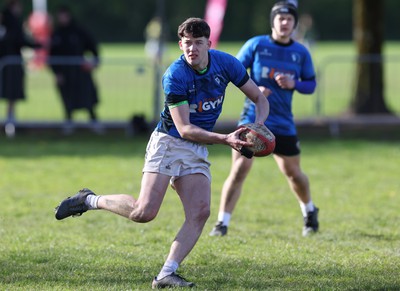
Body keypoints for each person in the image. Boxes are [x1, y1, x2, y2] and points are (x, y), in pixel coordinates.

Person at [54, 17, 269, 288]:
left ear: (209, 44)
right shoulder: (175, 75)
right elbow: (185, 128)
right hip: (168, 142)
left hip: (198, 146)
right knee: (143, 213)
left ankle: (166, 274)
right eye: (187, 43)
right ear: (180, 45)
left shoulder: (226, 64)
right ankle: (89, 200)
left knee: (200, 212)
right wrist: (226, 139)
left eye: (198, 43)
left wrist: (257, 128)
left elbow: (259, 98)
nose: (192, 49)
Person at [209, 1, 319, 238]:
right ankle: (221, 223)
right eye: (281, 18)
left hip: (283, 123)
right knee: (239, 169)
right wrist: (254, 88)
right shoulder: (257, 45)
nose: (285, 23)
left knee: (293, 173)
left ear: (294, 23)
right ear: (273, 21)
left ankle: (309, 210)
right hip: (253, 121)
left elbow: (311, 84)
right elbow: (233, 70)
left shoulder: (300, 52)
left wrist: (295, 84)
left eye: (289, 19)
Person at [48, 5, 101, 134]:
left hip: (80, 72)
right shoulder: (57, 34)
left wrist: (94, 62)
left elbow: (93, 46)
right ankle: (69, 123)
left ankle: (94, 122)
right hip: (65, 74)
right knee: (67, 99)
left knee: (87, 98)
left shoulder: (79, 31)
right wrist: (56, 73)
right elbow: (51, 55)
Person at [0, 0, 41, 137]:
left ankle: (10, 121)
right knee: (11, 93)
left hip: (10, 62)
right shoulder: (11, 23)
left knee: (11, 94)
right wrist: (37, 45)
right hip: (9, 63)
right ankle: (10, 122)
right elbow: (20, 40)